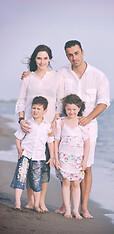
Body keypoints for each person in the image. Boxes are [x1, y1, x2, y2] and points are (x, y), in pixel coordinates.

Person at [55, 40, 110, 218]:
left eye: (76, 53)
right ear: (66, 56)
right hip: (65, 127)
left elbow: (104, 102)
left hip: (88, 127)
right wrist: (28, 74)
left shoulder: (98, 75)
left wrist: (88, 118)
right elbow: (49, 84)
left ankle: (84, 207)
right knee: (63, 165)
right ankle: (65, 206)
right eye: (70, 55)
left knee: (85, 166)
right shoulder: (62, 73)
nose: (74, 58)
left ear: (83, 52)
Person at [17, 45, 62, 212]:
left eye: (45, 58)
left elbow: (59, 102)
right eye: (38, 58)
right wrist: (21, 120)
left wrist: (55, 122)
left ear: (50, 58)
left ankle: (41, 202)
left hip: (47, 127)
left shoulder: (57, 77)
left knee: (44, 166)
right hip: (29, 126)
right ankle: (30, 201)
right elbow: (21, 100)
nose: (42, 61)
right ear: (34, 59)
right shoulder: (28, 77)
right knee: (27, 164)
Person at [10, 96, 54, 212]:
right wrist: (19, 148)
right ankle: (18, 203)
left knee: (36, 181)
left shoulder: (47, 126)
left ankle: (36, 205)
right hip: (25, 154)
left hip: (39, 158)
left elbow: (50, 142)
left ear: (45, 111)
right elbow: (18, 137)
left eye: (39, 109)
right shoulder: (27, 123)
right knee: (21, 177)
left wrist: (52, 156)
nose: (35, 111)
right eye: (34, 108)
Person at [55, 94, 90, 219]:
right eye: (69, 109)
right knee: (66, 182)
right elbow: (56, 141)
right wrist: (56, 159)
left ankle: (76, 210)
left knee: (76, 183)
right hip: (64, 157)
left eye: (74, 109)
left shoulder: (82, 123)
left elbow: (87, 143)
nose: (71, 112)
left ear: (79, 109)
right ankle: (67, 210)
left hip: (77, 158)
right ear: (65, 108)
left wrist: (85, 161)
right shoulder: (61, 122)